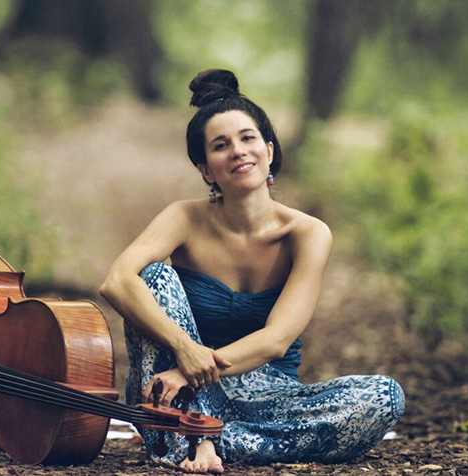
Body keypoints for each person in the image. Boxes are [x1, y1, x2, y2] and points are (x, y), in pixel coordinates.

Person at [99, 69, 404, 474]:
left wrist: (195, 372)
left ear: (269, 149)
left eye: (248, 138)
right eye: (221, 145)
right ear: (206, 169)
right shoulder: (182, 218)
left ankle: (215, 440)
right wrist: (185, 351)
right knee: (153, 277)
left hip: (263, 394)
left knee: (385, 396)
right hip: (171, 385)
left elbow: (277, 340)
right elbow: (116, 281)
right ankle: (197, 435)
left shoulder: (308, 234)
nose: (239, 151)